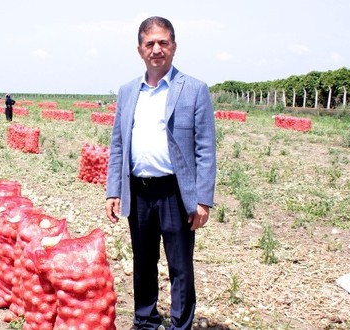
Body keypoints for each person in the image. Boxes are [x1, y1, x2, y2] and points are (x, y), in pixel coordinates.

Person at [105, 16, 216, 330]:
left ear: (174, 47)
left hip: (175, 192)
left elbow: (206, 149)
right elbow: (117, 144)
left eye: (163, 42)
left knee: (180, 266)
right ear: (139, 50)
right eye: (149, 43)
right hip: (137, 191)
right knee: (143, 263)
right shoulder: (128, 91)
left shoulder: (194, 89)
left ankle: (180, 324)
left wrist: (203, 200)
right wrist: (114, 190)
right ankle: (145, 321)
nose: (157, 49)